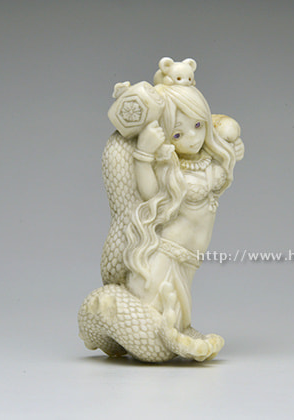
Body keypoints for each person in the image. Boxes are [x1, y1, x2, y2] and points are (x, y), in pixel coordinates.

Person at [78, 59, 244, 362]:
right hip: (162, 255)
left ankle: (152, 333)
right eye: (178, 135)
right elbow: (149, 193)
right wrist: (144, 153)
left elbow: (222, 164)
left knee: (176, 317)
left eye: (198, 126)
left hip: (187, 260)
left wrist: (230, 150)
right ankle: (108, 319)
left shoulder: (206, 161)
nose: (193, 139)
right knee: (155, 322)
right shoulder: (168, 164)